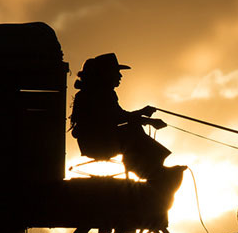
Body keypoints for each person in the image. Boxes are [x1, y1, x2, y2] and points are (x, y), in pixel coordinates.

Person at [69, 53, 185, 189]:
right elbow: (115, 118)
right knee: (133, 131)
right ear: (105, 74)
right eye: (116, 72)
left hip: (94, 142)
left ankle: (153, 169)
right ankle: (153, 171)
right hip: (98, 144)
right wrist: (146, 119)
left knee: (133, 128)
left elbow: (116, 116)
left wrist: (142, 114)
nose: (120, 76)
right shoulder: (100, 94)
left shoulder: (95, 93)